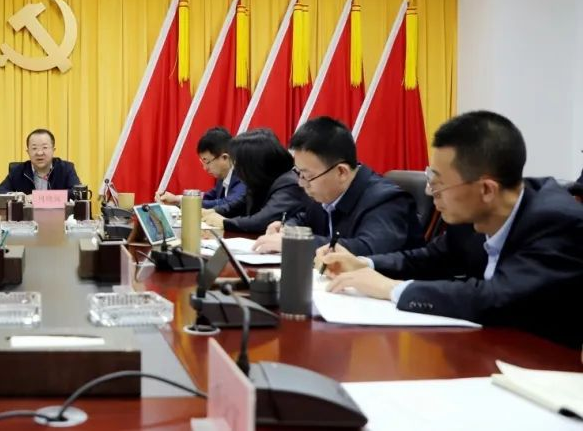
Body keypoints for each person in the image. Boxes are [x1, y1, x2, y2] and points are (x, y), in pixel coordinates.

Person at [317, 111, 583, 348]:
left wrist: (392, 289)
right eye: (429, 177)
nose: (429, 191)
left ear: (486, 189)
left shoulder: (557, 222)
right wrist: (364, 263)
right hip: (483, 348)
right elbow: (430, 258)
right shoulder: (475, 212)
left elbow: (497, 297)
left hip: (547, 364)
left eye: (438, 182)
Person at [252, 117, 424, 255]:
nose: (301, 183)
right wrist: (288, 229)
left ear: (341, 172)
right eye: (299, 173)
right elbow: (304, 219)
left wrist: (296, 243)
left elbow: (367, 249)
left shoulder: (386, 200)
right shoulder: (323, 191)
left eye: (307, 176)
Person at [203, 129, 307, 233]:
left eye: (238, 163)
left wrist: (224, 222)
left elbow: (262, 221)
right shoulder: (262, 181)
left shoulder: (289, 184)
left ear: (253, 164)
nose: (236, 168)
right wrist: (212, 212)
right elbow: (238, 205)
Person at [156, 127, 246, 213]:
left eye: (207, 162)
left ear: (225, 157)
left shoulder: (244, 176)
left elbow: (226, 204)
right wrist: (176, 199)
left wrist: (182, 201)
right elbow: (208, 197)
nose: (205, 168)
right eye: (202, 163)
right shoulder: (223, 176)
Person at [0, 128, 82, 196]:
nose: (39, 153)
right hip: (27, 215)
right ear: (28, 152)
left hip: (59, 214)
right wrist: (18, 196)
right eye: (34, 148)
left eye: (45, 147)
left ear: (53, 150)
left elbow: (78, 193)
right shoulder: (18, 171)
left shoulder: (66, 168)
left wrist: (40, 197)